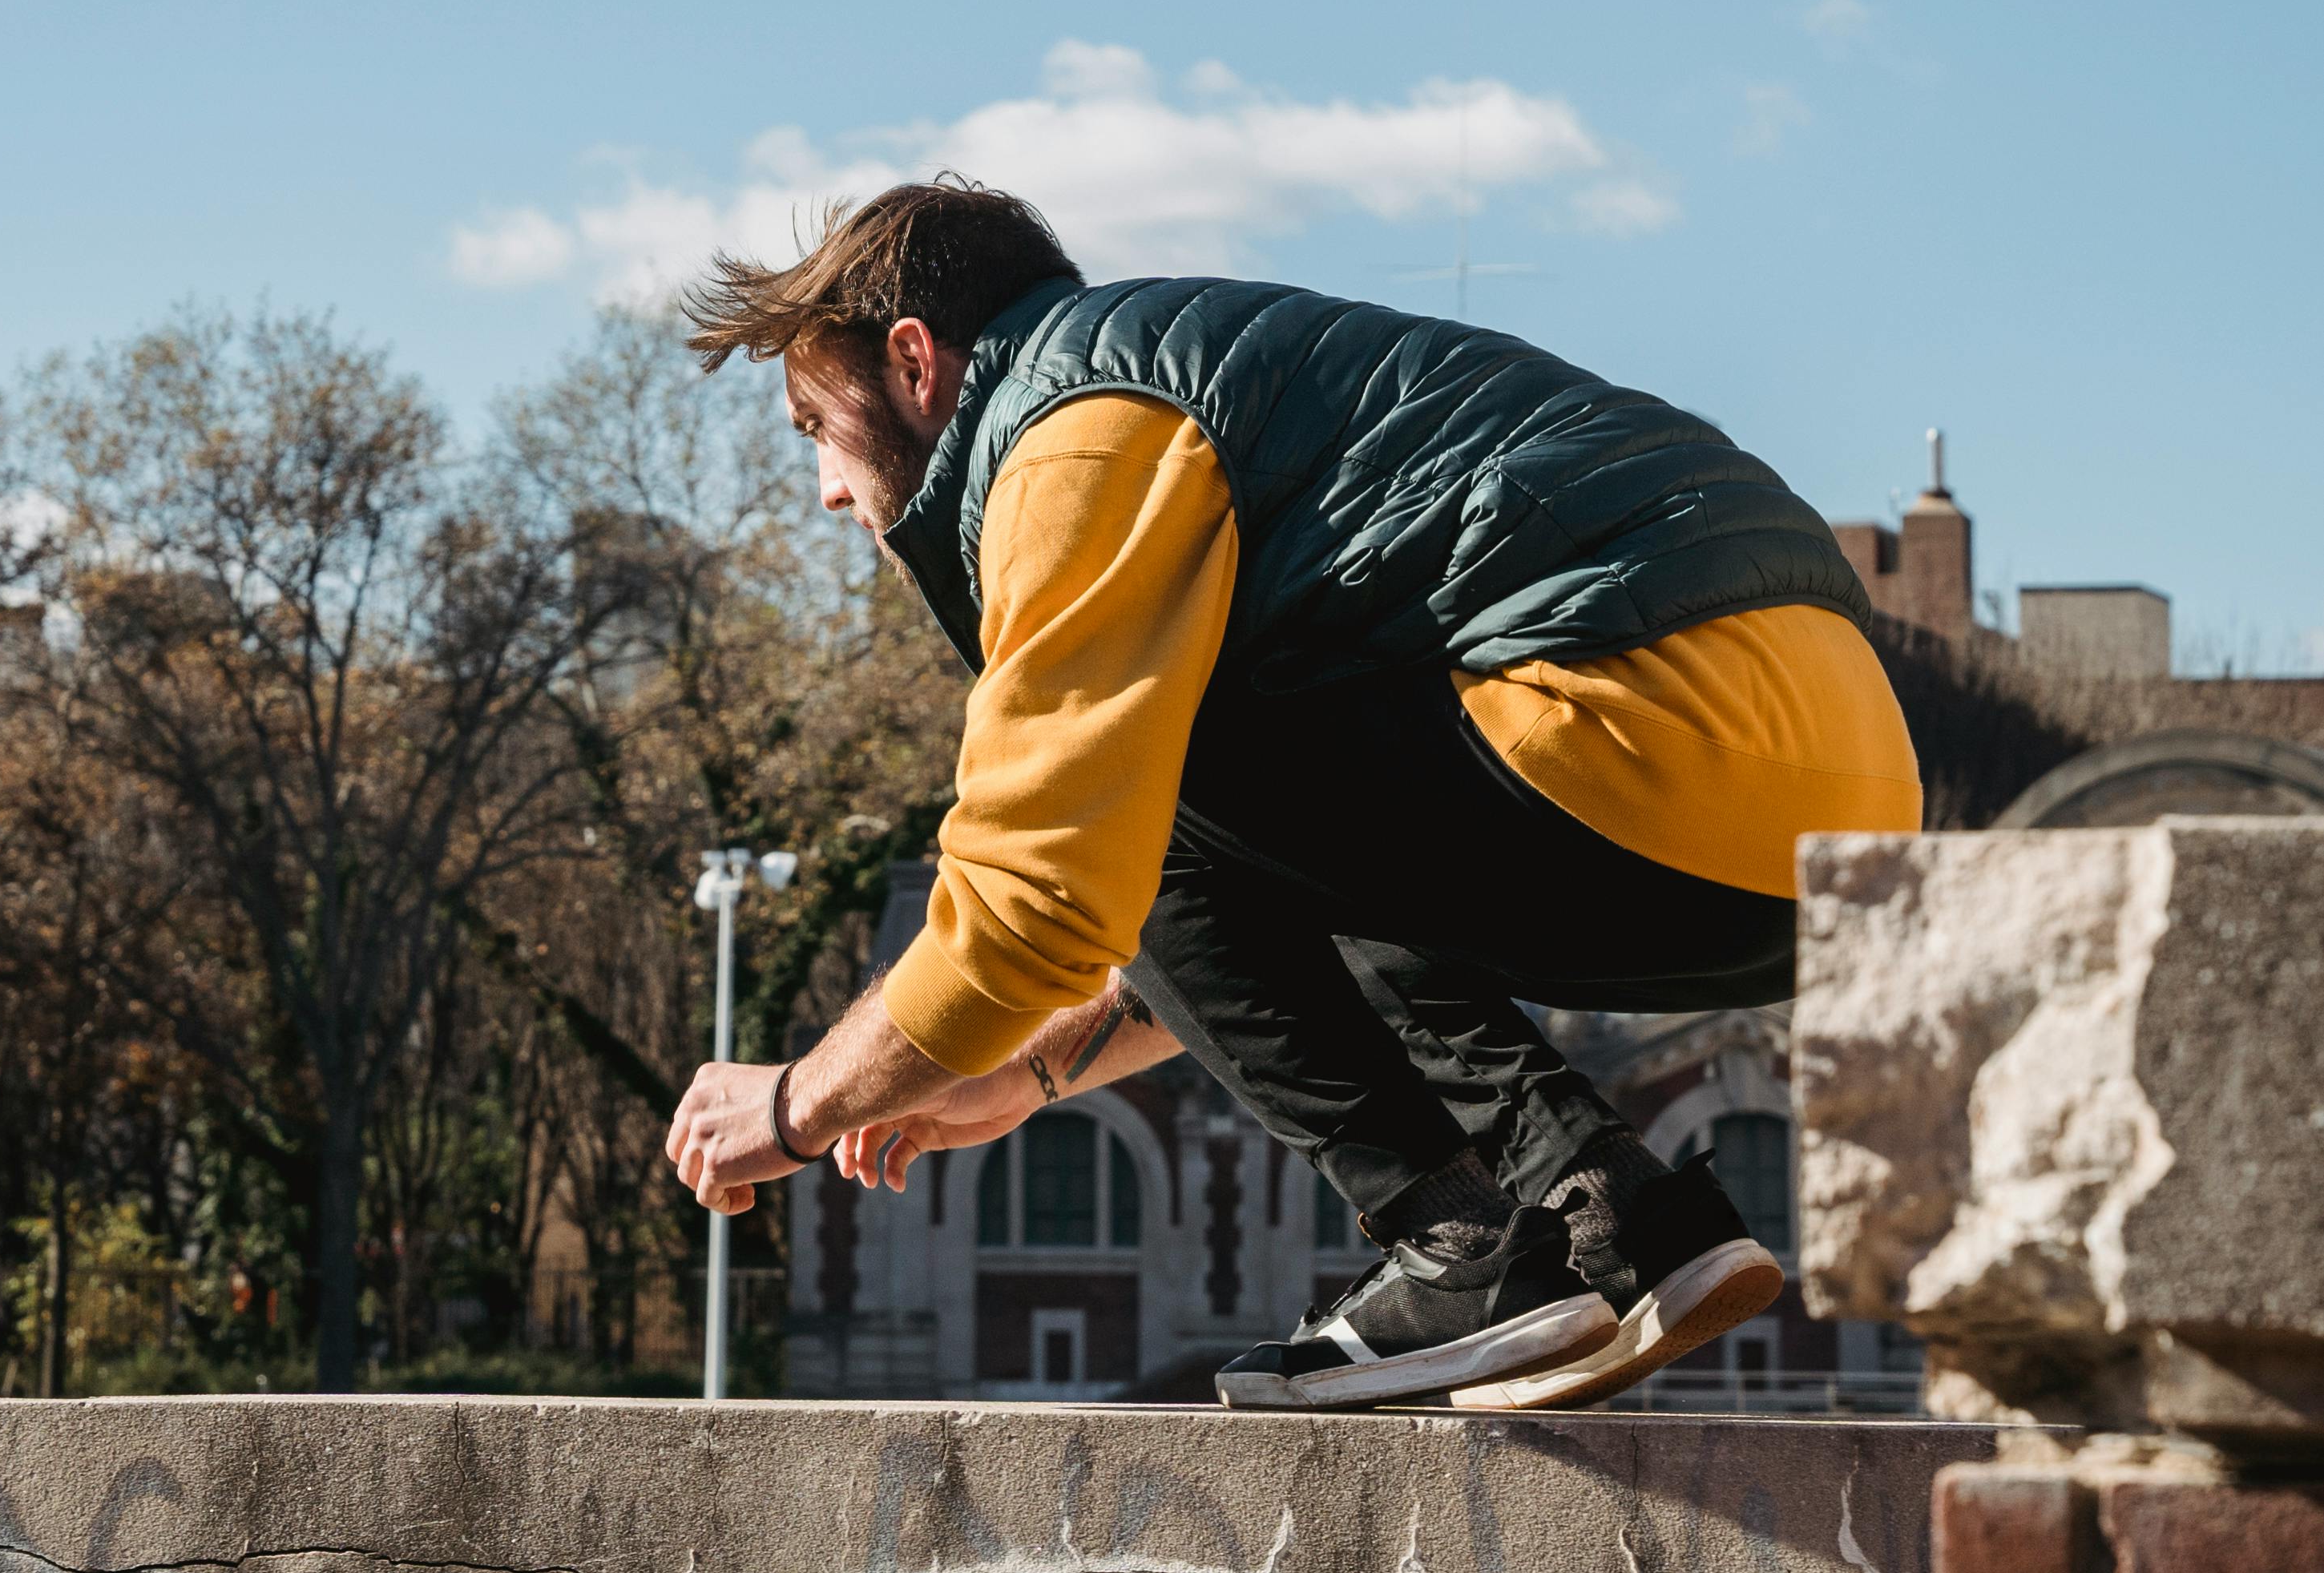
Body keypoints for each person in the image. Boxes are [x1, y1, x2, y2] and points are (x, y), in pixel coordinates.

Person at [662, 179, 1920, 1410]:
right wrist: (1030, 1071)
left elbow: (1047, 888)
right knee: (1166, 758)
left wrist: (791, 1104)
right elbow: (1272, 905)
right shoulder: (1209, 381)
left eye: (813, 430)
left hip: (1632, 726)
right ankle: (1612, 1201)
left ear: (912, 360)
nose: (828, 488)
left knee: (1136, 758)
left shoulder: (1073, 429)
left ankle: (1459, 1240)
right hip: (1818, 829)